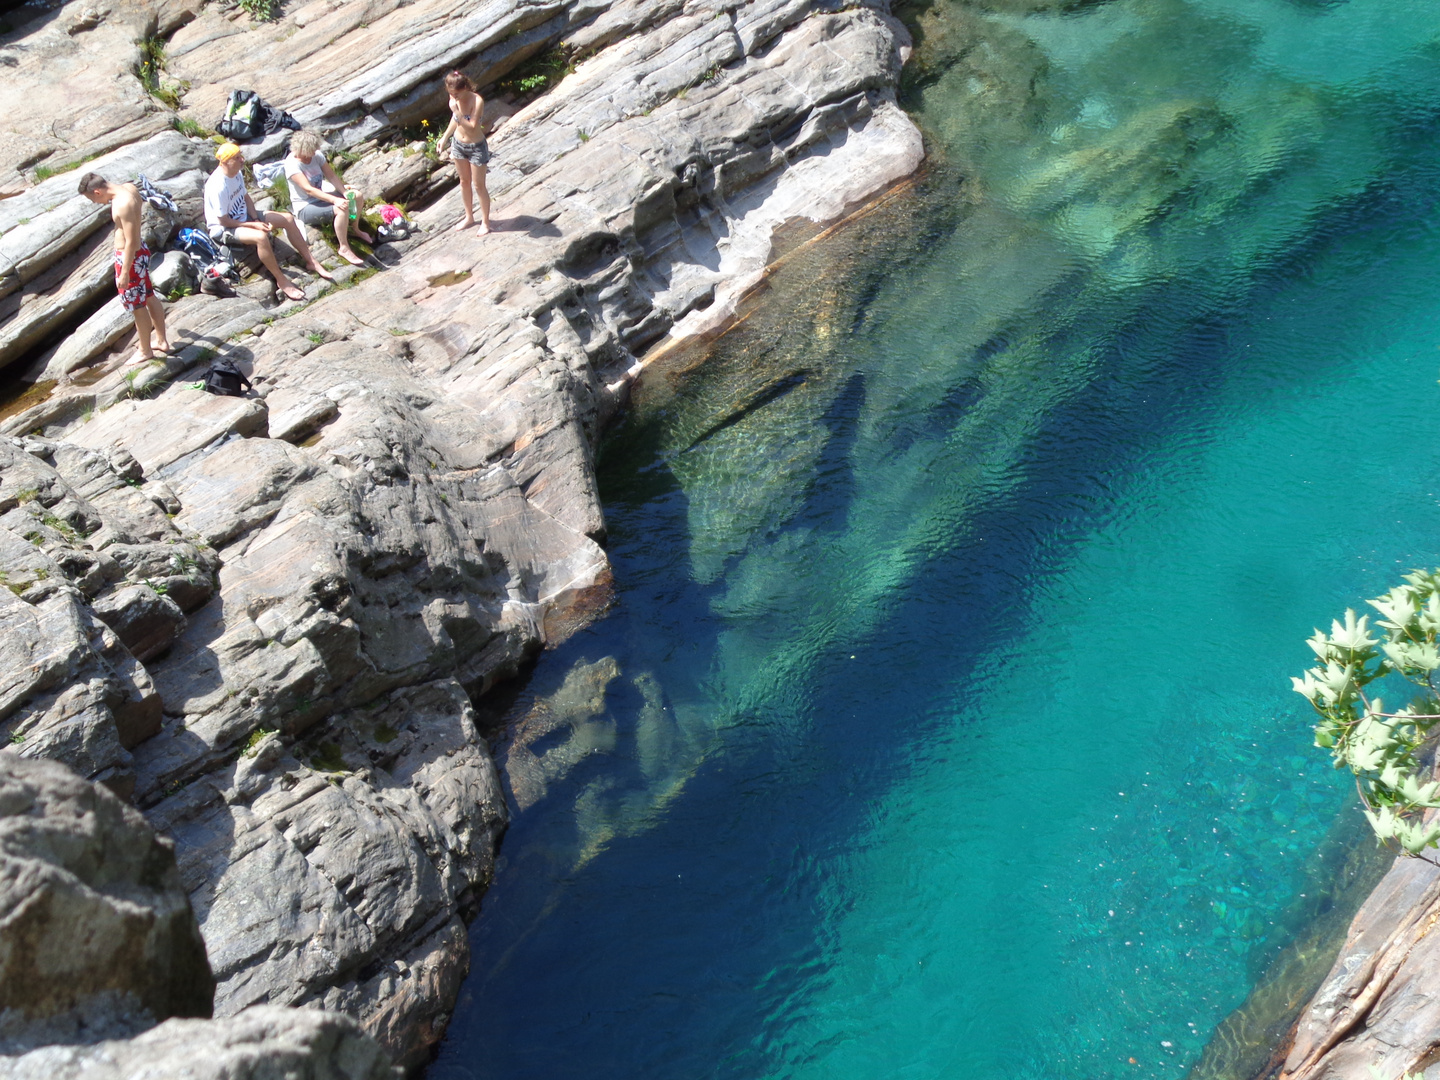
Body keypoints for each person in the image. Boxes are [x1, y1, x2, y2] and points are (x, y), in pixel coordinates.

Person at [203, 142, 333, 302]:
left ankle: (311, 261)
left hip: (244, 217)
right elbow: (223, 220)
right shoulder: (218, 186)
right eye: (237, 158)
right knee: (261, 237)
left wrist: (256, 219)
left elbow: (246, 198)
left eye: (240, 156)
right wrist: (253, 225)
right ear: (226, 162)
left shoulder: (236, 173)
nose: (242, 160)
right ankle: (282, 280)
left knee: (287, 218)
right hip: (224, 228)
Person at [77, 172, 172, 364]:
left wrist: (125, 272)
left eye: (92, 199)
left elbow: (131, 241)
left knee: (137, 305)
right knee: (149, 296)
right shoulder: (129, 188)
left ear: (97, 191)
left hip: (130, 257)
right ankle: (161, 341)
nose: (95, 203)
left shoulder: (122, 203)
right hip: (139, 254)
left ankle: (145, 350)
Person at [283, 130, 372, 267]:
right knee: (341, 209)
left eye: (314, 151)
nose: (312, 155)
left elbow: (331, 176)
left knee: (356, 196)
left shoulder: (316, 155)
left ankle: (355, 228)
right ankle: (344, 247)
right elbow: (308, 189)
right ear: (300, 150)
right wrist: (335, 200)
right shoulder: (292, 165)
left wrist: (344, 192)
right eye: (309, 153)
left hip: (322, 197)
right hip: (305, 206)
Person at [435, 71, 492, 236]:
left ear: (465, 87)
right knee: (464, 182)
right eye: (451, 94)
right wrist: (445, 137)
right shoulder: (455, 99)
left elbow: (472, 126)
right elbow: (455, 119)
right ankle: (469, 217)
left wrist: (458, 113)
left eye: (456, 94)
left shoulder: (477, 100)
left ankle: (486, 222)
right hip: (459, 144)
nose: (453, 97)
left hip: (476, 147)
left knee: (479, 185)